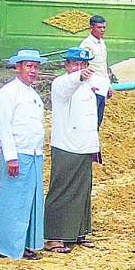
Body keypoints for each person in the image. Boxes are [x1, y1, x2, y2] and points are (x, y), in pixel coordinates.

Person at [0, 49, 47, 261]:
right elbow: (4, 126)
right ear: (18, 67)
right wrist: (10, 156)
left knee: (30, 200)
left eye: (35, 67)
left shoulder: (33, 95)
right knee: (10, 199)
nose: (33, 71)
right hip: (18, 153)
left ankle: (25, 244)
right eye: (29, 66)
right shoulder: (8, 93)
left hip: (34, 153)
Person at [43, 46, 100, 253]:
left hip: (84, 145)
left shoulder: (87, 85)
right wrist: (79, 76)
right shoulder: (61, 83)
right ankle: (53, 236)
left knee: (82, 191)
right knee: (62, 190)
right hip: (67, 146)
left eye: (83, 64)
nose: (80, 67)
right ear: (66, 65)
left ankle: (77, 232)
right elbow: (69, 84)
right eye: (76, 64)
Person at [79, 14, 111, 131]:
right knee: (90, 117)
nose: (102, 30)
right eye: (99, 27)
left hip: (102, 84)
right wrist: (89, 85)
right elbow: (82, 67)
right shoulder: (86, 45)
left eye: (104, 27)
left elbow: (103, 65)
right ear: (91, 28)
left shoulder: (102, 43)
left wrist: (108, 85)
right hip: (92, 85)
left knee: (99, 117)